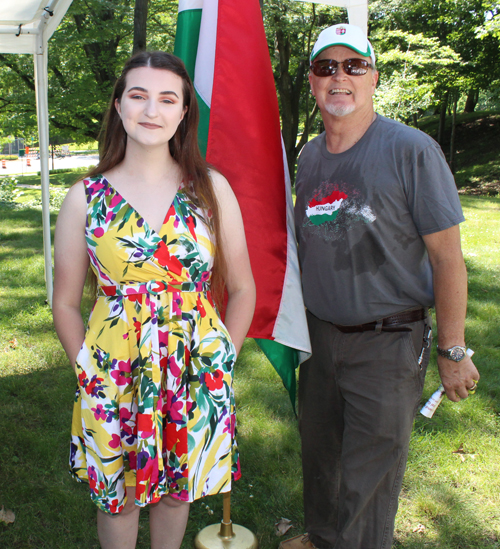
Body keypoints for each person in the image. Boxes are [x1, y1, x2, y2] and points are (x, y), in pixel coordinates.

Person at [284, 24, 480, 549]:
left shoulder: (411, 150)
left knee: (370, 471)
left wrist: (453, 348)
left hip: (388, 341)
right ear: (312, 82)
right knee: (320, 454)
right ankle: (322, 538)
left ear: (374, 77)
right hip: (320, 337)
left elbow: (447, 258)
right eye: (327, 68)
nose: (340, 78)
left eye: (354, 66)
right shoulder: (309, 157)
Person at [52, 51, 256, 549]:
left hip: (192, 367)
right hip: (113, 371)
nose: (152, 110)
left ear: (184, 112)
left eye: (168, 99)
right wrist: (87, 367)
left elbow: (245, 288)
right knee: (118, 499)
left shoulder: (211, 190)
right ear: (119, 106)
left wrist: (222, 358)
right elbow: (64, 301)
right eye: (138, 96)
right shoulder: (85, 196)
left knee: (175, 493)